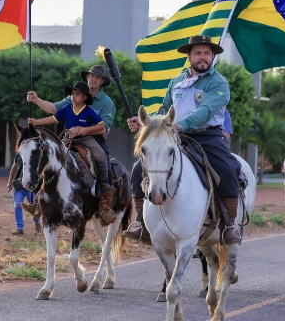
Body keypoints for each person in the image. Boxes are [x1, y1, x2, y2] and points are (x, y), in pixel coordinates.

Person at [126, 35, 243, 245]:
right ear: (189, 56)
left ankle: (229, 224)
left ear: (213, 56)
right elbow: (164, 109)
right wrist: (146, 122)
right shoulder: (176, 82)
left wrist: (179, 125)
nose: (202, 57)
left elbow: (205, 112)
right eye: (198, 53)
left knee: (228, 168)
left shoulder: (218, 83)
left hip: (208, 136)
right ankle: (139, 222)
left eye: (207, 53)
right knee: (137, 168)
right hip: (175, 135)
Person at [23, 65, 116, 215]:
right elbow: (54, 110)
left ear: (102, 82)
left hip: (93, 139)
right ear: (87, 77)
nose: (93, 79)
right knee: (48, 155)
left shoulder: (107, 103)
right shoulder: (73, 97)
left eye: (97, 77)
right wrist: (36, 100)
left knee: (102, 156)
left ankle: (106, 198)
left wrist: (82, 130)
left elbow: (103, 127)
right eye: (91, 75)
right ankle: (38, 199)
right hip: (69, 137)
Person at [6, 152, 42, 235]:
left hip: (31, 186)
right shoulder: (18, 154)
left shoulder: (35, 154)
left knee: (35, 205)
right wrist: (9, 182)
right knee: (17, 205)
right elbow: (14, 167)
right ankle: (19, 228)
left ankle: (37, 221)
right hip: (19, 185)